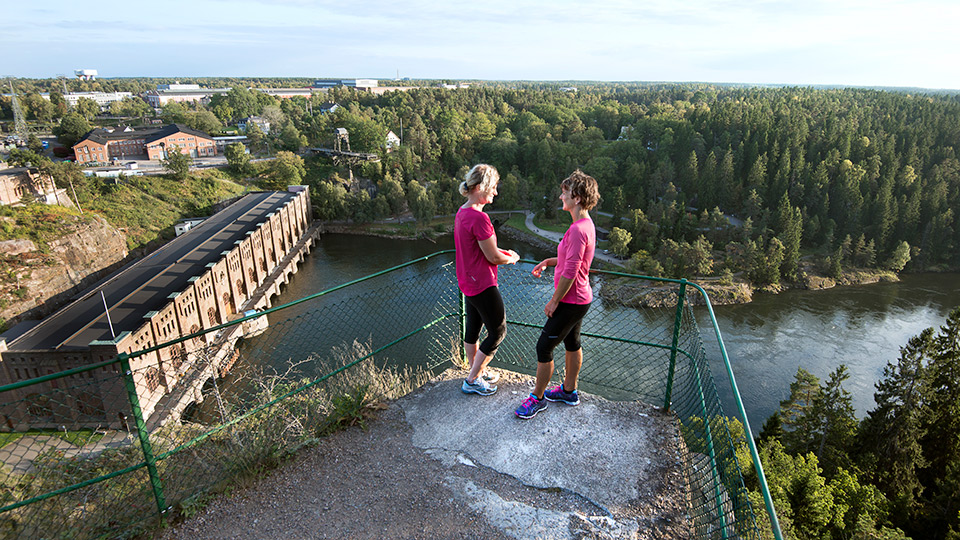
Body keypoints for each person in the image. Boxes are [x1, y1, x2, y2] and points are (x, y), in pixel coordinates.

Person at [515, 170, 598, 419]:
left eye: (566, 191)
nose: (561, 195)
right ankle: (569, 391)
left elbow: (571, 273)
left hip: (571, 300)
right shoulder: (585, 224)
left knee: (544, 346)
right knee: (572, 343)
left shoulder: (576, 230)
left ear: (578, 198)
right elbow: (573, 261)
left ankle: (537, 399)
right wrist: (548, 261)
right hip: (582, 298)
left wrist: (554, 301)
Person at [455, 164, 520, 396]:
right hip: (482, 284)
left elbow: (483, 248)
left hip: (467, 281)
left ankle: (476, 371)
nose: (496, 193)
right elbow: (492, 255)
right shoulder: (480, 218)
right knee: (498, 331)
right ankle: (472, 379)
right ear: (481, 187)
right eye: (493, 188)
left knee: (473, 328)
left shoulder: (462, 213)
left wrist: (504, 253)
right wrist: (511, 259)